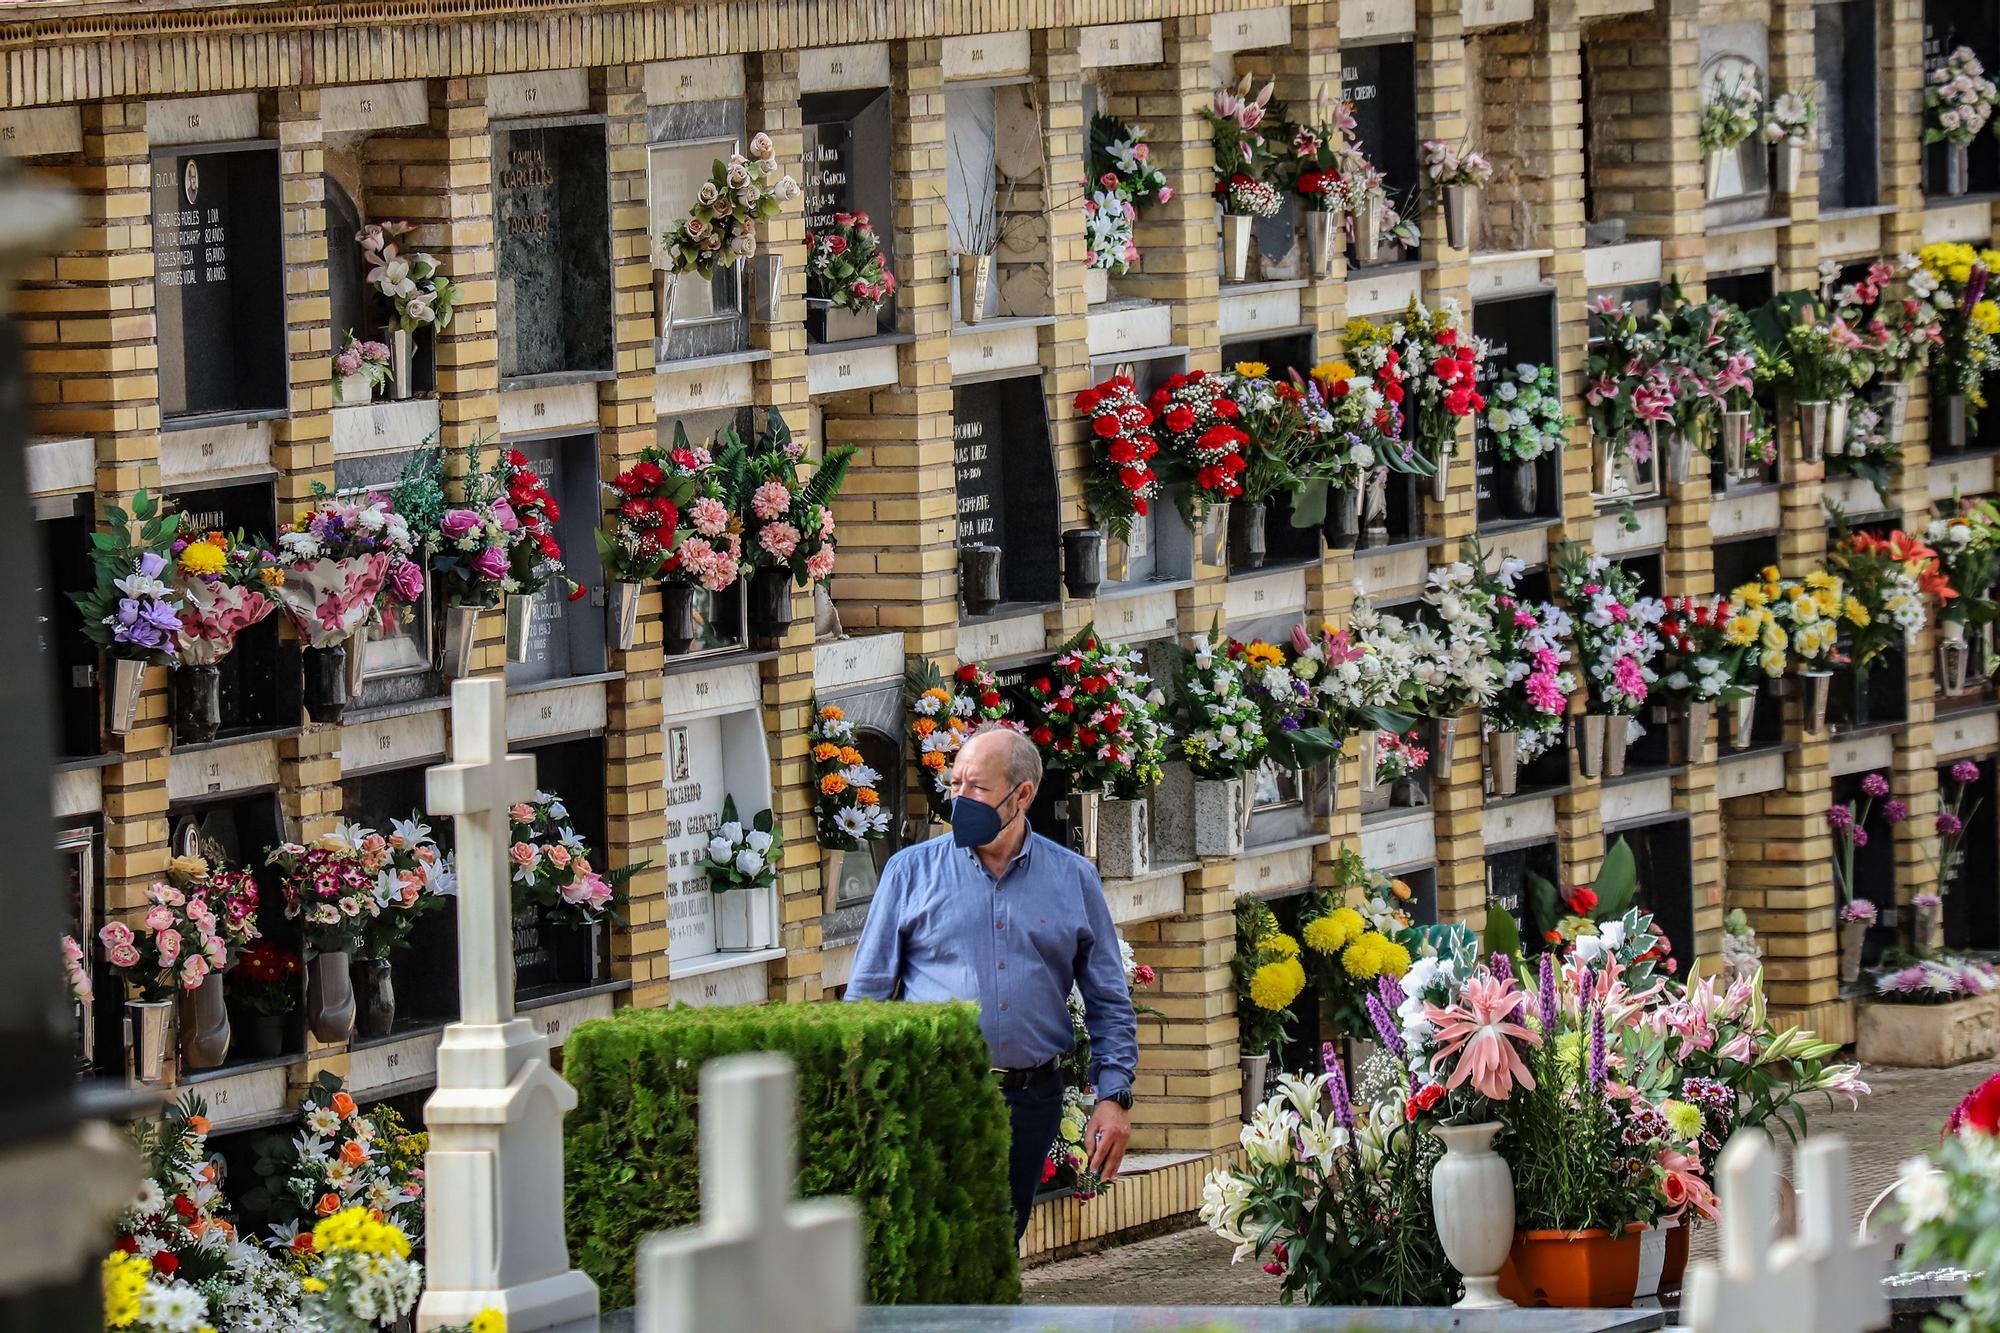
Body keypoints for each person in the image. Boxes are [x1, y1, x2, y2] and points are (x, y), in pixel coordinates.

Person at [845, 727, 1138, 1241]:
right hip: (932, 1095)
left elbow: (1109, 1000)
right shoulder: (909, 873)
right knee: (934, 1244)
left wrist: (1113, 1097)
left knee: (998, 1243)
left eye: (976, 788)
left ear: (1021, 795)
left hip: (1027, 1101)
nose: (959, 799)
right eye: (954, 784)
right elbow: (865, 999)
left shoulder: (1072, 879)